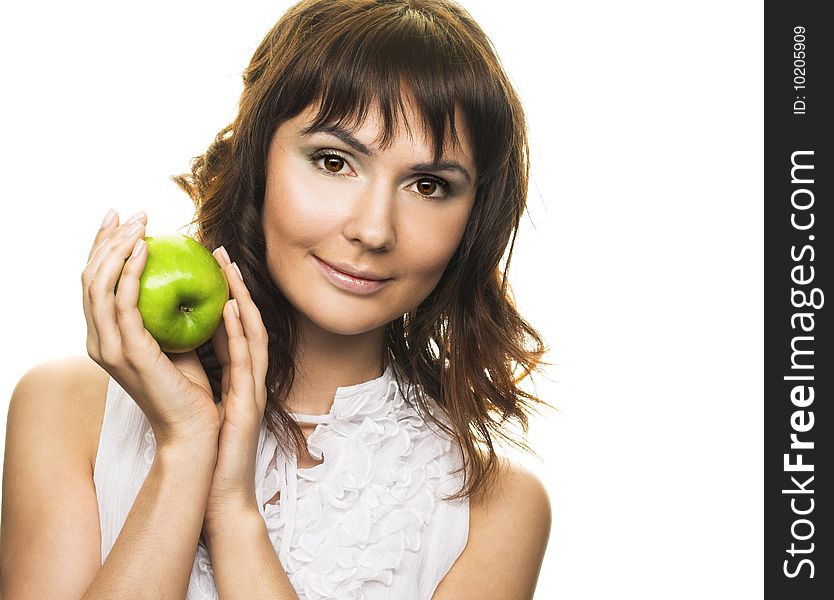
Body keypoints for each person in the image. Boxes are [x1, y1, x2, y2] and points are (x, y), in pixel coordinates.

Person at [0, 0, 553, 598]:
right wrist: (184, 451)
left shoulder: (493, 509)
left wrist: (234, 511)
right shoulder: (67, 411)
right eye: (334, 160)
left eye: (428, 185)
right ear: (258, 159)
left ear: (474, 220)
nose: (373, 229)